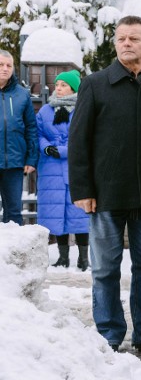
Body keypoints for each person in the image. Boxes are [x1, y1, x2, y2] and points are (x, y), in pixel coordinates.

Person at [68, 15, 141, 359]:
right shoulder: (95, 85)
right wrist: (82, 190)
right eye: (121, 38)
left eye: (134, 38)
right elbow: (79, 141)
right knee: (105, 269)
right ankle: (109, 334)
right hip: (105, 195)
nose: (126, 43)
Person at [37, 69, 89, 270]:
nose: (58, 88)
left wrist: (62, 150)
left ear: (73, 89)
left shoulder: (83, 108)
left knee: (79, 214)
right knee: (57, 212)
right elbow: (38, 133)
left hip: (74, 164)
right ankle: (63, 257)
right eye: (57, 84)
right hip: (51, 166)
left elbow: (84, 137)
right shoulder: (45, 111)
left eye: (63, 85)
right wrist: (46, 147)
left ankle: (83, 258)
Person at [0, 49, 37, 225]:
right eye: (1, 65)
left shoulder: (22, 94)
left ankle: (14, 251)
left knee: (14, 213)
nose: (5, 69)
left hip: (14, 162)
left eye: (9, 65)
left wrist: (31, 158)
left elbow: (31, 128)